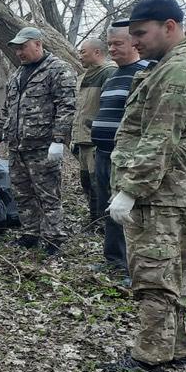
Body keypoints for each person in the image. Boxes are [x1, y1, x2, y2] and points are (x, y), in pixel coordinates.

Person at [107, 0, 186, 372]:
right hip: (171, 193)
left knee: (154, 278)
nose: (136, 41)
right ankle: (174, 349)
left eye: (141, 33)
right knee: (174, 276)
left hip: (161, 195)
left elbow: (159, 139)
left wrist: (130, 190)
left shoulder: (177, 72)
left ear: (170, 27)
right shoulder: (165, 68)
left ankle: (150, 357)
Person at [0, 27, 76, 255]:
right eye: (16, 49)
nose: (19, 52)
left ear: (38, 44)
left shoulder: (57, 69)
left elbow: (66, 107)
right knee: (22, 193)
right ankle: (31, 234)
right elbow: (7, 109)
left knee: (48, 194)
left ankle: (54, 238)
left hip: (43, 147)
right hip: (18, 146)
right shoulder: (18, 74)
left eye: (23, 47)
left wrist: (59, 139)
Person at [90, 25, 148, 275]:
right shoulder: (112, 75)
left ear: (133, 43)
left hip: (128, 157)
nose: (111, 49)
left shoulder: (145, 73)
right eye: (109, 44)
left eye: (117, 44)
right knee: (109, 209)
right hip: (104, 154)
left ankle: (130, 267)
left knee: (129, 214)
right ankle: (113, 260)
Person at [73, 38, 117, 229]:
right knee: (87, 183)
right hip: (82, 139)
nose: (80, 56)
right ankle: (93, 220)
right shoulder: (82, 77)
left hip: (97, 141)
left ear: (97, 52)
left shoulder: (109, 72)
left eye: (83, 52)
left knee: (100, 184)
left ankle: (103, 224)